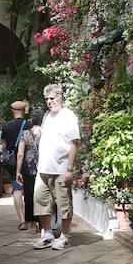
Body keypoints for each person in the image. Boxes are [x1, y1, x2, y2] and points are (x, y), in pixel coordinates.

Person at [31, 84, 80, 250]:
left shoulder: (68, 116)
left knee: (64, 205)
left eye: (52, 98)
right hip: (44, 168)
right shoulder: (48, 116)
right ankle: (48, 235)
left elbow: (74, 143)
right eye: (47, 99)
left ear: (60, 98)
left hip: (60, 169)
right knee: (40, 201)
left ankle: (65, 237)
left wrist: (69, 168)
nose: (49, 102)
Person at [1, 101, 30, 227]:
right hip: (28, 160)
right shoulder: (29, 125)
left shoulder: (7, 126)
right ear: (24, 111)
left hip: (13, 160)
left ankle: (22, 220)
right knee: (29, 189)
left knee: (17, 188)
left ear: (12, 110)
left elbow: (3, 146)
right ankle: (33, 221)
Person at [14, 111, 42, 231]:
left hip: (29, 167)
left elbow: (20, 154)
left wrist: (18, 171)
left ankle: (32, 222)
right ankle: (44, 222)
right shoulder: (46, 132)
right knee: (43, 194)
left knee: (29, 194)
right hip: (43, 165)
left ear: (31, 121)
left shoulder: (24, 133)